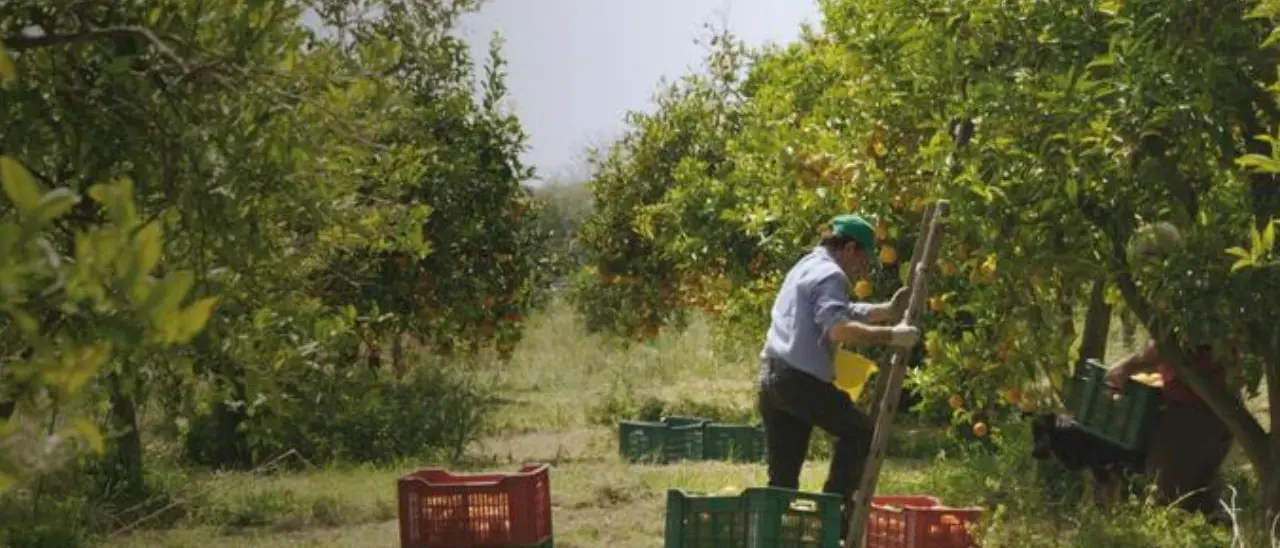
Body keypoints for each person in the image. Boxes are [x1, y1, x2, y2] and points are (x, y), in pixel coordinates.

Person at [757, 213, 921, 531]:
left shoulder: (805, 266)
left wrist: (884, 310)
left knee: (782, 478)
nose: (863, 267)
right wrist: (891, 335)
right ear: (848, 248)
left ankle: (771, 537)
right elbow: (839, 329)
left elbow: (838, 311)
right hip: (800, 381)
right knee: (859, 432)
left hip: (772, 379)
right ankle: (833, 518)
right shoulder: (832, 274)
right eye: (863, 257)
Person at [1104, 340, 1235, 520]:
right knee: (1199, 497)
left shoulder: (1193, 318)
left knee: (1167, 501)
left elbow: (1166, 344)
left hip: (1190, 412)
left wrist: (1127, 366)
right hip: (1219, 412)